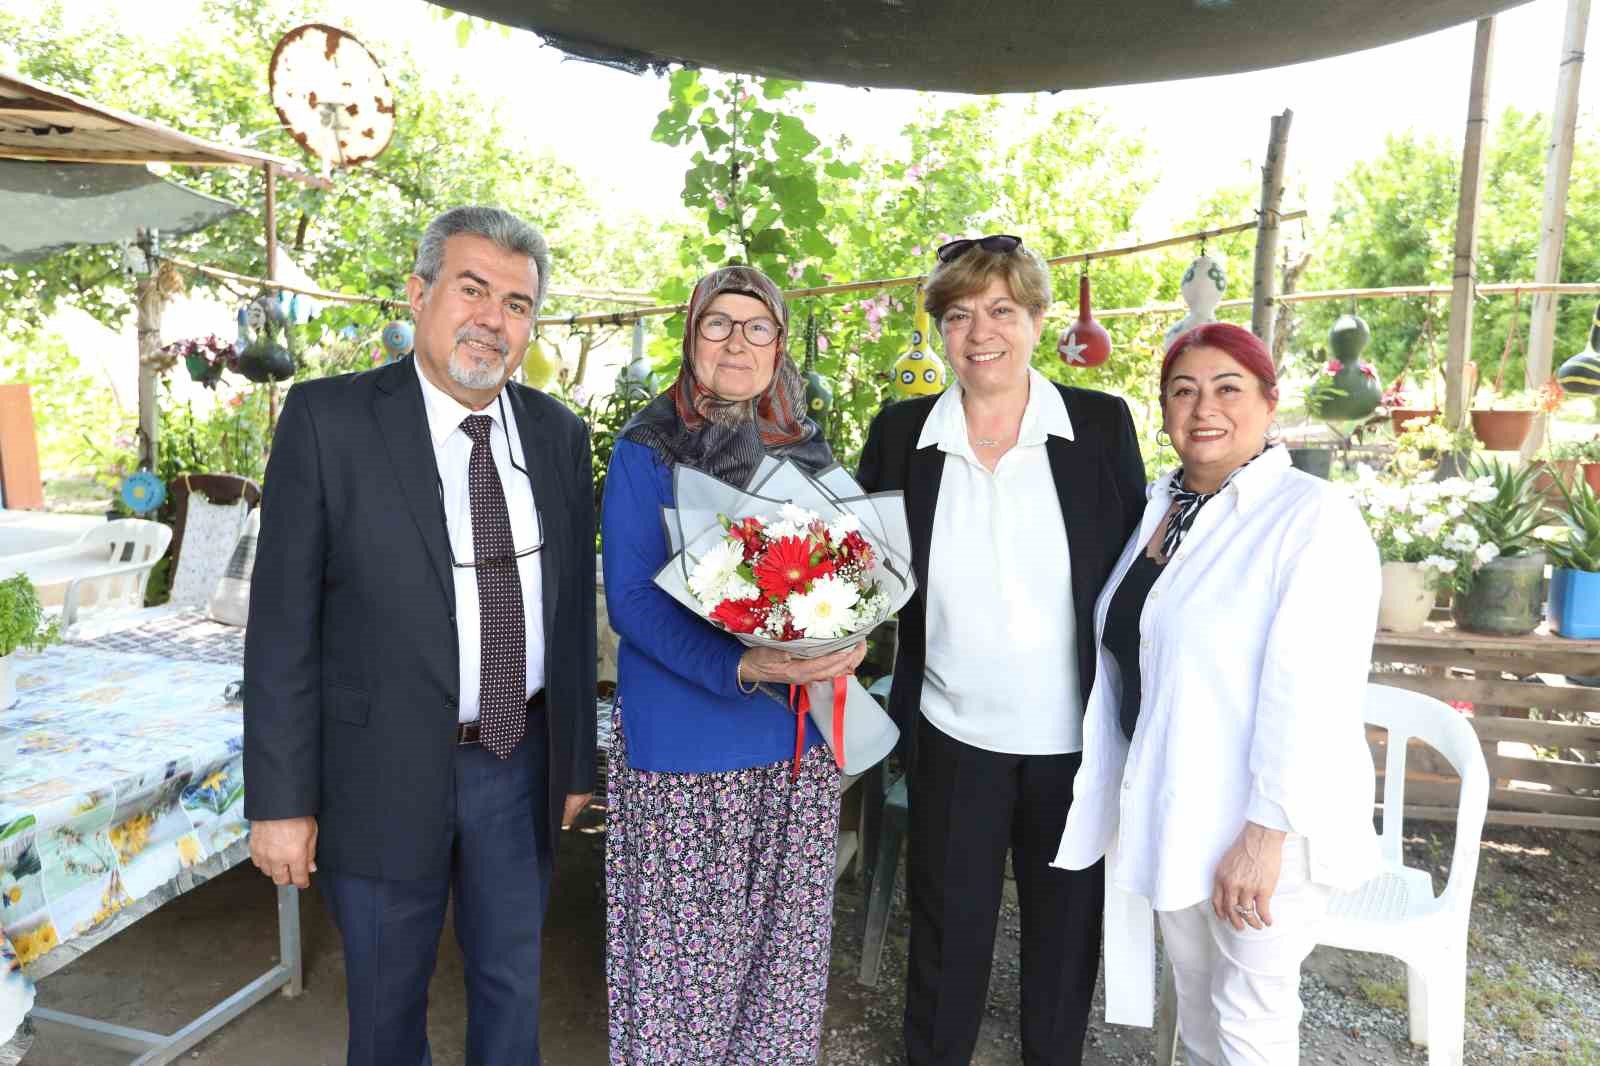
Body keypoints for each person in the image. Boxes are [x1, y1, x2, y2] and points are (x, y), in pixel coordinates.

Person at [243, 205, 597, 1066]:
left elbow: (570, 620)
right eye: (472, 290)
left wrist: (576, 763)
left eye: (517, 303)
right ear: (419, 292)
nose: (493, 319)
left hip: (517, 763)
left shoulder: (558, 435)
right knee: (385, 1009)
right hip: (378, 770)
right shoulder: (329, 421)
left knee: (512, 992)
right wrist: (281, 802)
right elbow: (281, 628)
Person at [1053, 322, 1382, 1066]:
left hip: (1262, 824)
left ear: (1269, 402)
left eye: (1228, 388)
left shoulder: (1311, 517)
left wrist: (1264, 838)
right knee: (1201, 1015)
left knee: (1250, 1025)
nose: (1205, 408)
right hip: (1179, 807)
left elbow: (1314, 694)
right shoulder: (1163, 506)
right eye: (1184, 390)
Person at [855, 234, 1146, 1066]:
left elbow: (1136, 577)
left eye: (1001, 310)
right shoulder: (902, 433)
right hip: (952, 731)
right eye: (958, 315)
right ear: (939, 330)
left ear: (1038, 318)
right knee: (947, 935)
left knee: (1064, 938)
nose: (980, 332)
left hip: (1073, 740)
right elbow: (862, 572)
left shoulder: (1098, 425)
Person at [601, 264, 867, 1065]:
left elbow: (851, 574)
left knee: (778, 979)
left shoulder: (806, 450)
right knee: (682, 987)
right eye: (717, 323)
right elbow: (632, 605)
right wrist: (748, 665)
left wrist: (851, 633)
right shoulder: (648, 449)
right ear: (691, 336)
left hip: (796, 749)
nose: (736, 343)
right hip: (687, 754)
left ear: (779, 344)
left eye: (757, 327)